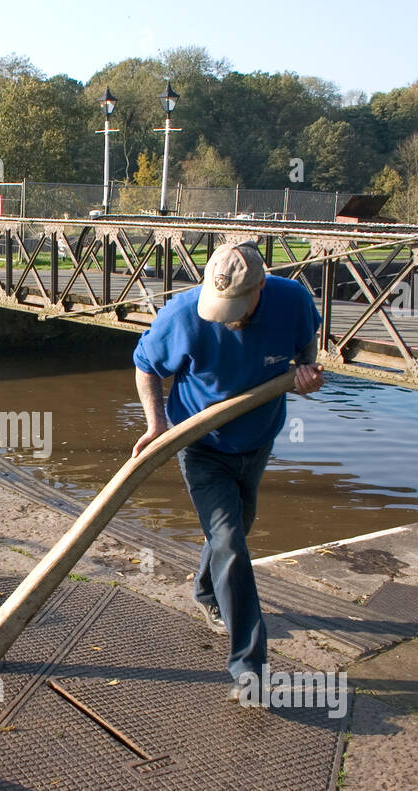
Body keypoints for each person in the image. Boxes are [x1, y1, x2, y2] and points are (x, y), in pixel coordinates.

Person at [131, 240, 324, 700]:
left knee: (237, 529)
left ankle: (205, 591)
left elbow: (307, 358)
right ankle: (249, 670)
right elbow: (145, 367)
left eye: (238, 304)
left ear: (261, 287)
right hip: (200, 443)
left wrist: (307, 379)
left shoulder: (292, 300)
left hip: (259, 437)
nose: (228, 313)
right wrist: (157, 424)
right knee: (230, 543)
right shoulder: (182, 315)